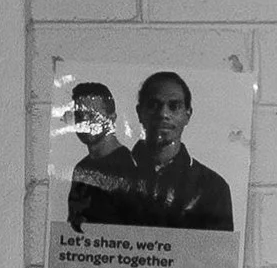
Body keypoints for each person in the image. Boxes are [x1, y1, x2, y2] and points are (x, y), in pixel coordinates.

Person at [70, 69, 235, 229]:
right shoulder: (102, 176)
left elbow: (218, 255)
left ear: (188, 114)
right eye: (154, 105)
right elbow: (84, 245)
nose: (163, 113)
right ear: (140, 113)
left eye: (174, 106)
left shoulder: (212, 188)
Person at [60, 81, 137, 225]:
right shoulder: (81, 168)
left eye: (92, 115)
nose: (84, 122)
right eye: (79, 115)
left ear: (112, 119)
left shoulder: (127, 168)